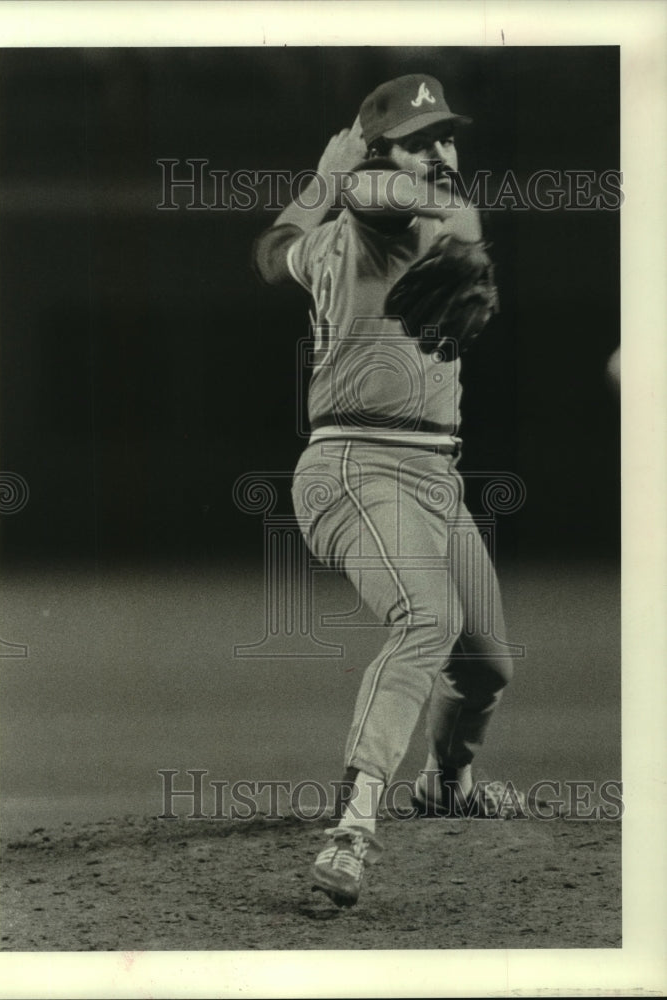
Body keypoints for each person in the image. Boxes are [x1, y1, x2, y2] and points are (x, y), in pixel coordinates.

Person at [252, 73, 519, 908]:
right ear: (378, 154)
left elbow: (270, 253)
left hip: (432, 475)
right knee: (427, 620)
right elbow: (378, 195)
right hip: (355, 469)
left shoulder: (347, 232)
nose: (442, 150)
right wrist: (343, 177)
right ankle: (353, 826)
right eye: (421, 137)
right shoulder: (381, 210)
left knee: (485, 668)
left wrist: (315, 188)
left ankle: (450, 782)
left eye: (447, 134)